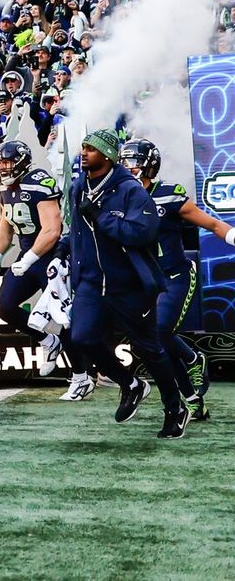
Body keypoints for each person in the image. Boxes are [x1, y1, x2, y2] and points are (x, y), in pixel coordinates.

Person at [67, 130, 188, 438]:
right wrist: (64, 254)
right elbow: (80, 232)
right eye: (82, 148)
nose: (83, 153)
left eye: (90, 149)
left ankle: (175, 407)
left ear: (106, 156)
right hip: (92, 283)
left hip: (128, 285)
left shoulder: (131, 190)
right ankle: (130, 384)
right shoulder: (79, 185)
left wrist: (102, 217)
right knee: (81, 338)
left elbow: (143, 233)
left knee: (148, 348)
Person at [121, 138, 234, 421]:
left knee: (159, 332)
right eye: (124, 161)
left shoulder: (169, 195)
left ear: (148, 165)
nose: (127, 167)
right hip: (143, 282)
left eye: (133, 161)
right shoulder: (119, 197)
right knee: (151, 345)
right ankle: (193, 400)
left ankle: (194, 359)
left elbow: (212, 223)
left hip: (174, 276)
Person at [0, 140, 88, 399]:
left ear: (20, 161)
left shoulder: (39, 182)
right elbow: (6, 225)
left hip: (52, 257)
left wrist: (29, 258)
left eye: (6, 162)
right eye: (0, 163)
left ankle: (81, 377)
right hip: (28, 254)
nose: (2, 168)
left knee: (63, 318)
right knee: (5, 305)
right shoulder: (7, 187)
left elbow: (52, 230)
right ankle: (47, 342)